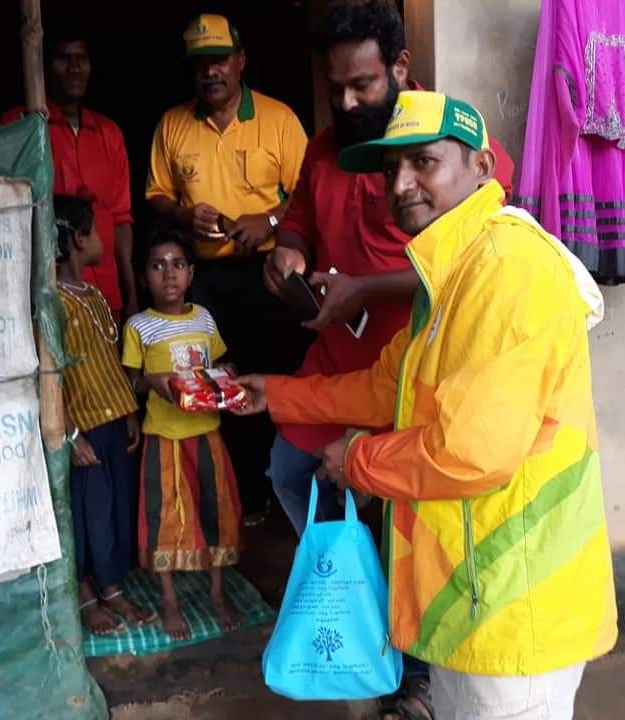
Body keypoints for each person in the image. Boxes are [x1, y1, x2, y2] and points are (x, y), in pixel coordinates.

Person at [236, 91, 617, 720]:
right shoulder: (447, 278)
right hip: (469, 599)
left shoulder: (507, 271)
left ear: (481, 169)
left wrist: (355, 458)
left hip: (516, 611)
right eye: (391, 170)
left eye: (424, 162)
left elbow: (470, 454)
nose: (402, 184)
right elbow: (388, 388)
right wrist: (275, 393)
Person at [264, 0, 517, 539]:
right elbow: (300, 218)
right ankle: (354, 595)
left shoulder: (450, 138)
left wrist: (366, 291)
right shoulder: (325, 148)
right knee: (291, 473)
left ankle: (380, 604)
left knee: (401, 512)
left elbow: (472, 249)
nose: (346, 102)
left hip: (416, 357)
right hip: (344, 360)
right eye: (335, 88)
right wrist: (288, 251)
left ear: (400, 68)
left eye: (362, 84)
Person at [145, 13, 311, 522]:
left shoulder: (278, 119)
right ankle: (241, 496)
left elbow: (309, 196)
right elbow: (155, 196)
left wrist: (271, 219)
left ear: (240, 60)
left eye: (219, 60)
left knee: (274, 375)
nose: (210, 73)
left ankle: (284, 490)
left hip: (267, 273)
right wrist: (182, 215)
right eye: (200, 64)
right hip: (205, 279)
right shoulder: (173, 124)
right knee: (216, 381)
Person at [122, 226, 243, 640]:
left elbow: (222, 367)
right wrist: (152, 382)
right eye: (157, 266)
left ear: (191, 273)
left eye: (177, 265)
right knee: (165, 519)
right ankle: (170, 600)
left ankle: (216, 593)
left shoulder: (204, 319)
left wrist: (229, 374)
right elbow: (131, 382)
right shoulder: (139, 326)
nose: (168, 275)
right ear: (144, 277)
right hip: (164, 437)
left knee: (216, 512)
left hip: (207, 432)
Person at [53, 195, 156, 636]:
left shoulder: (93, 295)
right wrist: (70, 434)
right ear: (78, 240)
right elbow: (49, 376)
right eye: (95, 230)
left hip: (114, 419)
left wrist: (130, 412)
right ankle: (83, 595)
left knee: (114, 511)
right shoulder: (51, 302)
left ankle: (111, 587)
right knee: (85, 514)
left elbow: (110, 359)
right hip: (84, 428)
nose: (102, 239)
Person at [0, 25, 139, 323]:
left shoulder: (109, 132)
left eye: (82, 58)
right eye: (63, 58)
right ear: (43, 67)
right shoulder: (21, 125)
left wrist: (131, 294)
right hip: (47, 291)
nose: (75, 67)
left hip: (105, 292)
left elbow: (120, 220)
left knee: (103, 370)